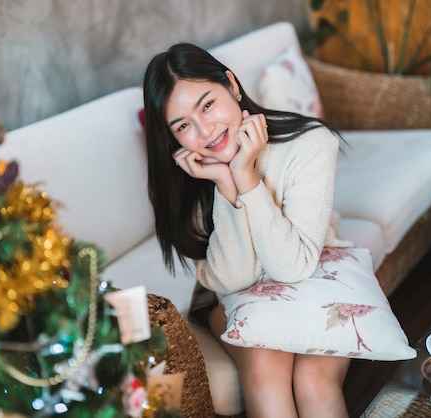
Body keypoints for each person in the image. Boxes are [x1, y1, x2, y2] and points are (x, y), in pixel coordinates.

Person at [142, 43, 350, 418]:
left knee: (313, 381)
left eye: (207, 105)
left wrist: (247, 177)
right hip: (233, 288)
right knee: (265, 369)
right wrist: (226, 183)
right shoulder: (189, 175)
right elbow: (234, 279)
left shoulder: (311, 144)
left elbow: (292, 268)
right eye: (183, 126)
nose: (205, 131)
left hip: (314, 272)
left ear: (233, 87)